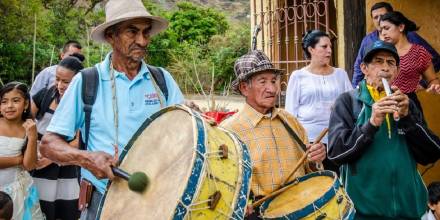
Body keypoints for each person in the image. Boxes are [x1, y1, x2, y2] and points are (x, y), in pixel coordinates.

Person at [39, 0, 185, 219]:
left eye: (146, 32)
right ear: (111, 36)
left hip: (160, 197)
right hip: (102, 198)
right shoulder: (87, 81)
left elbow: (182, 135)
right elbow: (49, 144)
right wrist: (86, 158)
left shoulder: (162, 80)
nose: (142, 41)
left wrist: (192, 119)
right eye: (132, 32)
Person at [328, 40, 440, 219]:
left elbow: (432, 153)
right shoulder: (348, 101)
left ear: (396, 71)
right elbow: (336, 154)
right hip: (362, 211)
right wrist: (372, 123)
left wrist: (408, 119)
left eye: (391, 63)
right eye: (378, 61)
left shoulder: (405, 103)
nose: (385, 68)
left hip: (407, 211)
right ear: (364, 68)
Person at [221, 50, 326, 219]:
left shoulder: (290, 121)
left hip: (303, 207)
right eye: (262, 82)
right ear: (244, 88)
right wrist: (239, 202)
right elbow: (223, 181)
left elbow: (310, 169)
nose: (272, 89)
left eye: (274, 81)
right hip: (261, 213)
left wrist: (316, 160)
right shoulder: (229, 131)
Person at [285, 30, 352, 173]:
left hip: (338, 138)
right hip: (310, 142)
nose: (329, 51)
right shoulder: (298, 76)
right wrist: (300, 144)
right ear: (311, 49)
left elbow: (351, 103)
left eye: (330, 47)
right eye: (324, 47)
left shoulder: (341, 74)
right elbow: (290, 114)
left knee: (338, 181)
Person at [30, 54, 85, 220]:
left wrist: (51, 156)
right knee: (41, 207)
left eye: (66, 82)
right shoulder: (46, 95)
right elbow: (26, 121)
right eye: (57, 79)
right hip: (38, 162)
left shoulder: (83, 103)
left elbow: (76, 142)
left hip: (65, 164)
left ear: (78, 81)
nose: (60, 85)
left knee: (65, 209)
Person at [352, 2, 440, 87]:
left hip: (404, 95)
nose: (379, 20)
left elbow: (435, 60)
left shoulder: (409, 36)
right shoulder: (368, 40)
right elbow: (358, 68)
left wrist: (423, 83)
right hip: (375, 95)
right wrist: (356, 92)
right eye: (375, 17)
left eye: (382, 16)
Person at [379, 11, 440, 112]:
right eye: (381, 30)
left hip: (410, 106)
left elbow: (432, 79)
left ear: (401, 27)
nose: (383, 33)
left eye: (386, 28)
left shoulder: (419, 52)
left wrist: (434, 86)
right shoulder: (380, 53)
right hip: (383, 104)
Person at [0, 82, 44, 220]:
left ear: (25, 104)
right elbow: (23, 162)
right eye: (4, 101)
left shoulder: (28, 128)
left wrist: (32, 137)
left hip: (16, 190)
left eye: (16, 101)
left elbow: (29, 165)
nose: (9, 106)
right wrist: (18, 160)